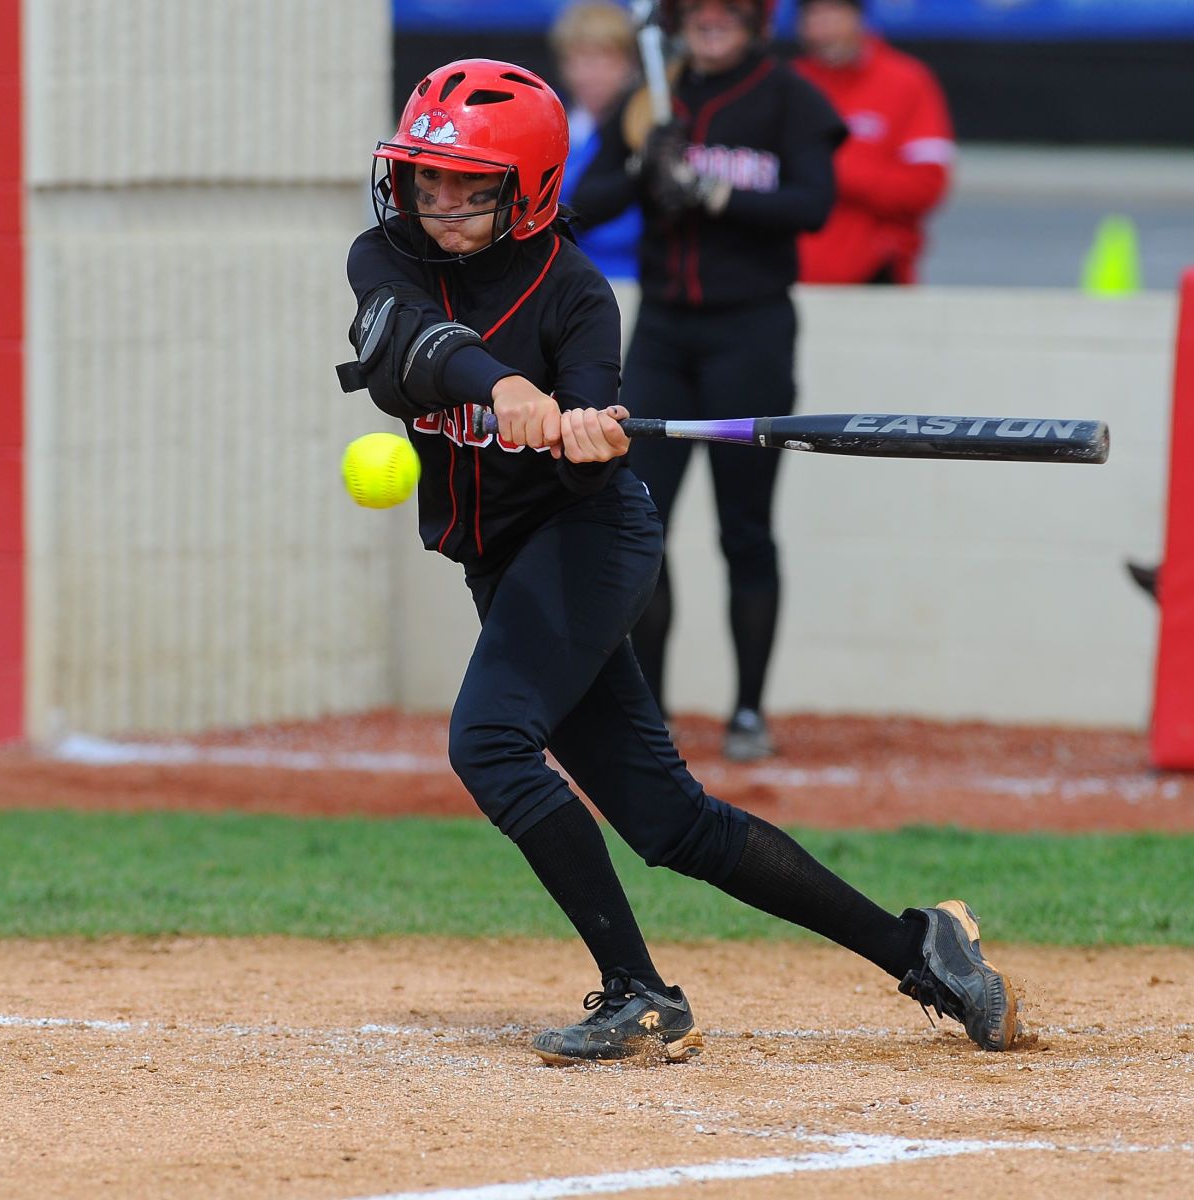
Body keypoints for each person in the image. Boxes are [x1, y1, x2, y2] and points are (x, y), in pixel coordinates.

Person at [340, 56, 1021, 1065]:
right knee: (671, 823)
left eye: (468, 183)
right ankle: (924, 949)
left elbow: (588, 441)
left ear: (525, 190)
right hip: (504, 564)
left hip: (589, 538)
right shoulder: (383, 259)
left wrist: (584, 438)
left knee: (488, 741)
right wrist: (504, 391)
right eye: (427, 177)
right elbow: (404, 350)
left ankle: (640, 994)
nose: (437, 199)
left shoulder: (573, 294)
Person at [571, 0, 838, 762]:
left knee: (743, 528)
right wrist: (641, 164)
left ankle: (748, 711)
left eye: (728, 9)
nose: (710, 21)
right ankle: (651, 711)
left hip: (749, 331)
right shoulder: (653, 97)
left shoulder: (791, 97)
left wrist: (716, 193)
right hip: (661, 334)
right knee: (641, 524)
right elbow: (582, 208)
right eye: (697, 10)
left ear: (755, 21)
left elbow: (813, 205)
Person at [793, 0, 953, 285]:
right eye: (812, 13)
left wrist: (828, 168)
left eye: (833, 11)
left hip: (876, 278)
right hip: (788, 279)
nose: (822, 25)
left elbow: (925, 186)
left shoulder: (907, 81)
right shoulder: (788, 84)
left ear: (858, 16)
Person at [549, 0, 644, 281]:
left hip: (637, 278)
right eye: (579, 58)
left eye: (606, 58)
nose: (592, 73)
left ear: (631, 65)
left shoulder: (651, 131)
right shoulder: (550, 130)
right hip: (567, 281)